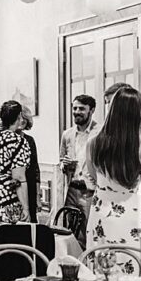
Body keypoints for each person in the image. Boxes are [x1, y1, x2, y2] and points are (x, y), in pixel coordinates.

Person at [86, 86, 141, 273]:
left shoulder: (94, 142)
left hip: (105, 213)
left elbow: (95, 176)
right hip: (140, 215)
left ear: (112, 109)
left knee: (104, 273)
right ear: (139, 111)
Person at [59, 92, 97, 226]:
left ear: (91, 110)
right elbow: (61, 162)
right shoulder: (67, 134)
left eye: (81, 109)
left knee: (89, 229)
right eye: (74, 108)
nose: (77, 112)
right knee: (70, 229)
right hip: (71, 189)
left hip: (90, 190)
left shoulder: (100, 133)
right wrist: (65, 165)